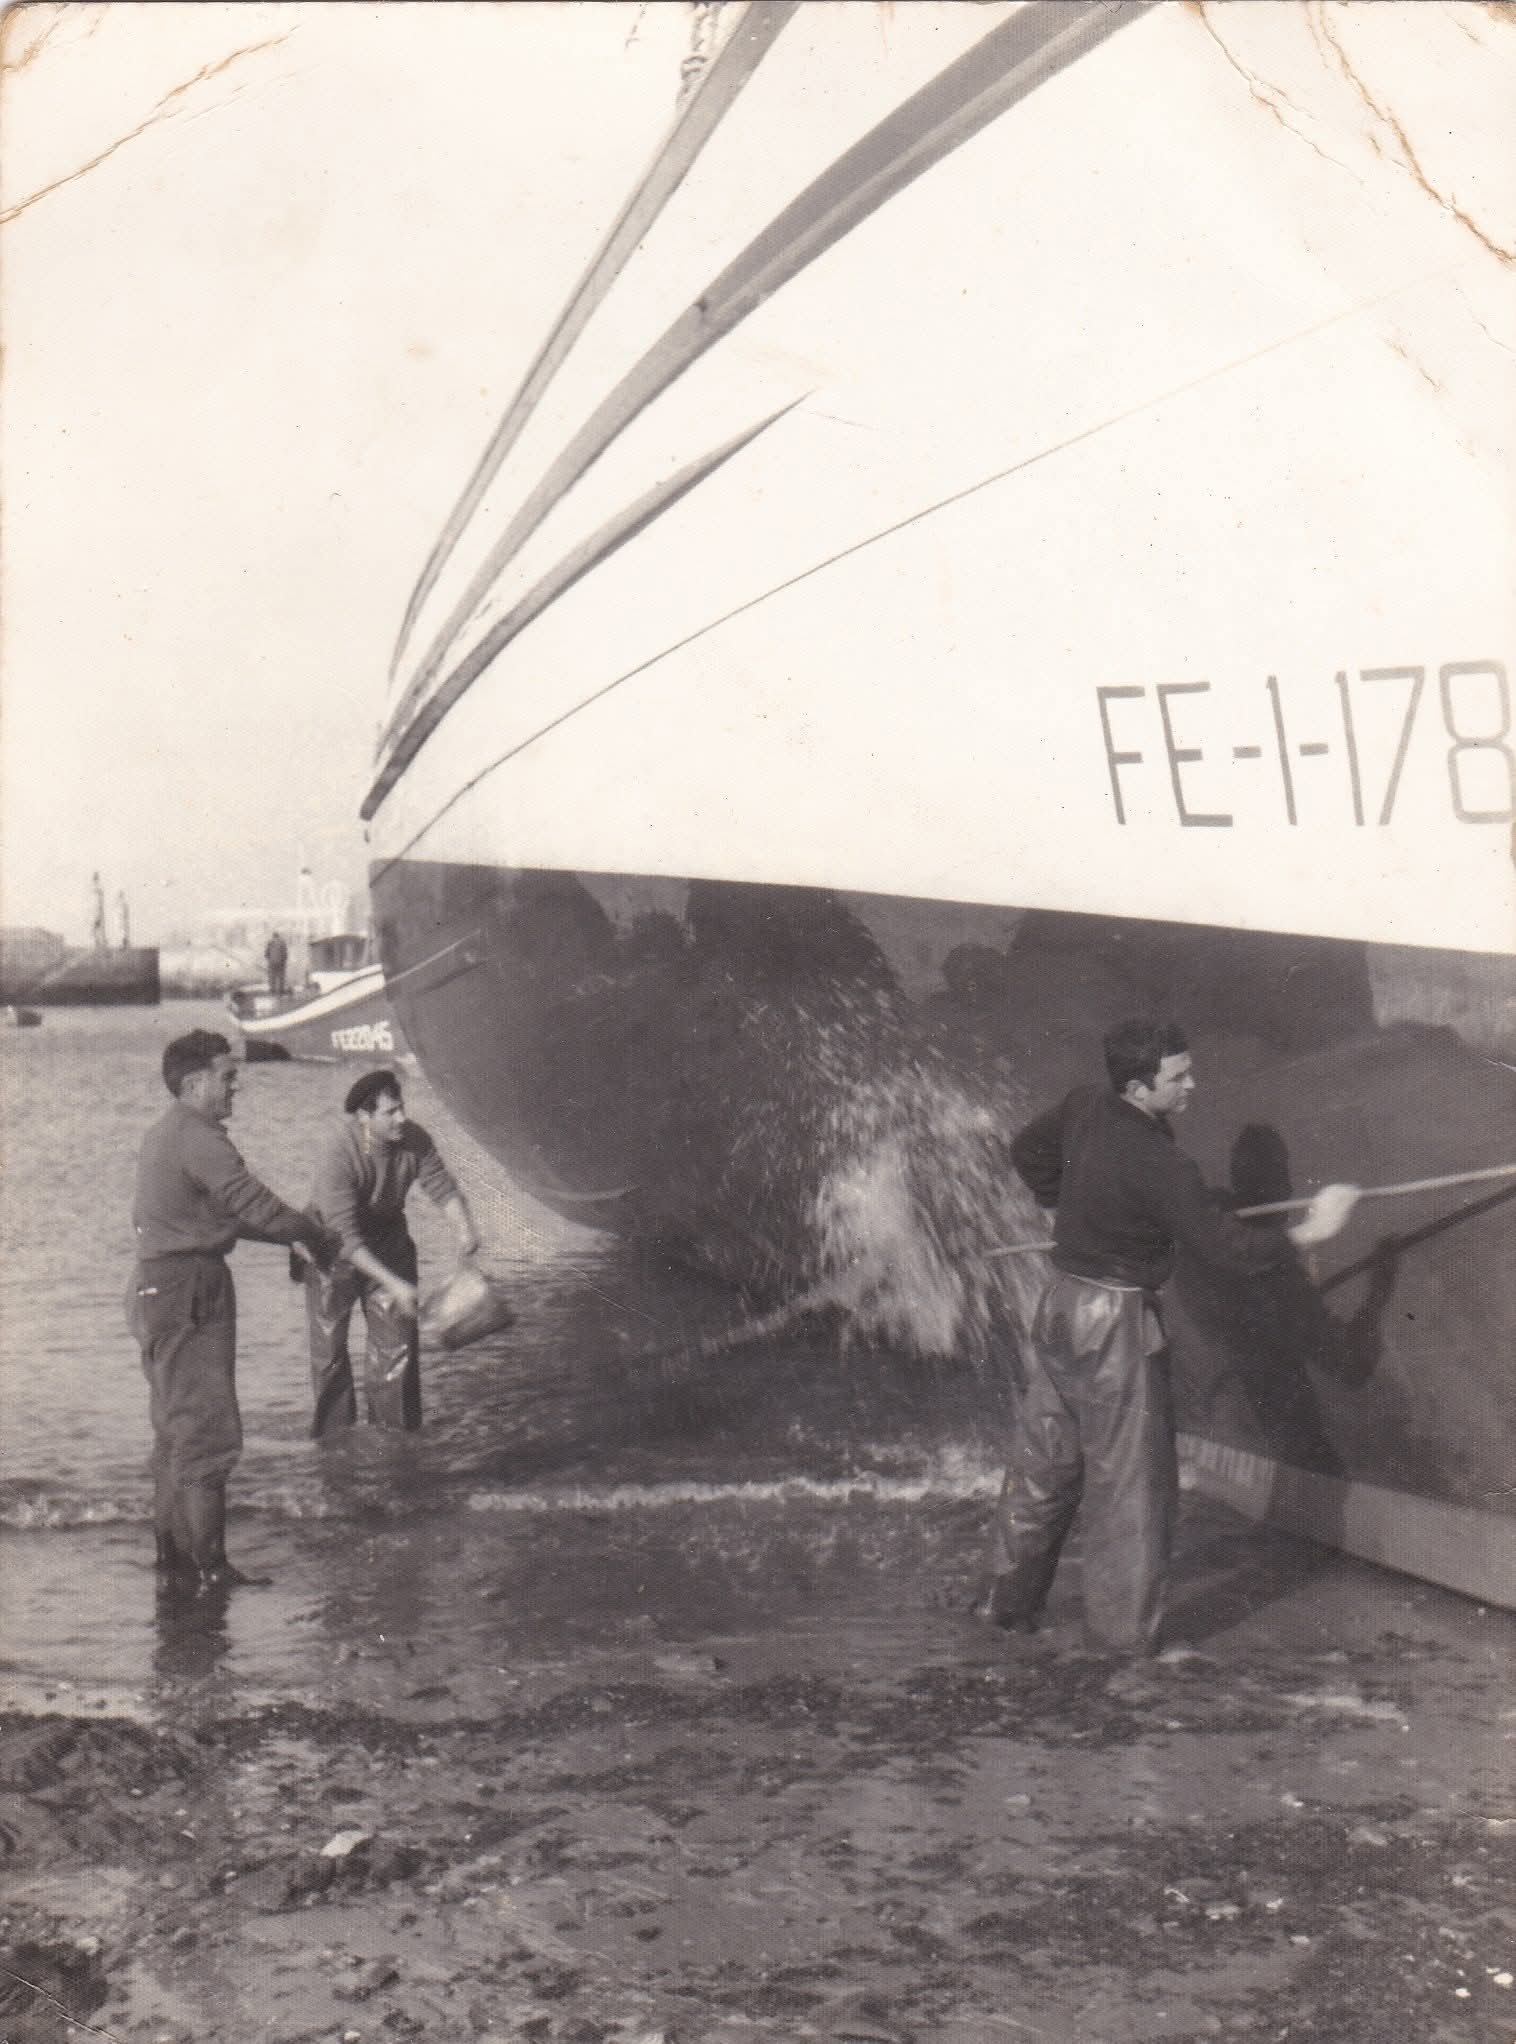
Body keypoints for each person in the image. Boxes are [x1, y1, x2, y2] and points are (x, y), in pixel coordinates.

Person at [979, 1018, 1360, 1656]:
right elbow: (1226, 1249)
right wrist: (1313, 1231)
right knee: (1133, 1488)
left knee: (1043, 1468)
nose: (1192, 1084)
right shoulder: (1163, 1163)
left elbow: (1028, 1151)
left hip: (1059, 1303)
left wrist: (1057, 1205)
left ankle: (1002, 1609)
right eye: (1177, 1077)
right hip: (1116, 1323)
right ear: (1137, 1086)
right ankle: (1123, 1649)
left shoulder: (1085, 1105)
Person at [129, 1028, 329, 1589]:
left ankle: (175, 1561)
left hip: (157, 1285)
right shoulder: (199, 1139)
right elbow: (255, 1203)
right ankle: (212, 1569)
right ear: (195, 1083)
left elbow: (223, 1217)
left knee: (174, 1431)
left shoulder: (165, 1135)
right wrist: (318, 1235)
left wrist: (289, 1238)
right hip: (190, 1290)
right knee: (208, 1434)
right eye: (227, 1074)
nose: (236, 1083)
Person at [304, 1068, 479, 1437]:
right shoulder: (339, 1151)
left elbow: (442, 1188)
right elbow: (346, 1240)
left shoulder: (414, 1139)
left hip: (388, 1239)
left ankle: (395, 1441)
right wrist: (396, 1285)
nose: (401, 1118)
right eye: (390, 1112)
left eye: (402, 1108)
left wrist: (464, 1230)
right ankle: (335, 1443)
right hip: (329, 1247)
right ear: (364, 1117)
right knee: (330, 1352)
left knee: (396, 1351)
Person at [264, 929, 289, 997]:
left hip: (272, 962)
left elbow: (266, 953)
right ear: (278, 936)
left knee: (272, 976)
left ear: (273, 936)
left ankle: (272, 990)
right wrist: (284, 960)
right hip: (281, 962)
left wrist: (269, 959)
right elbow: (285, 953)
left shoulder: (270, 942)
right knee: (281, 976)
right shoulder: (282, 942)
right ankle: (281, 991)